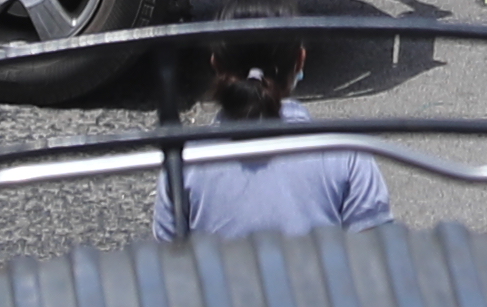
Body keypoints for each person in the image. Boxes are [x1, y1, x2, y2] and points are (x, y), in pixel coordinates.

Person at [150, 34, 395, 239]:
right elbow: (374, 261)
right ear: (300, 60)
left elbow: (170, 268)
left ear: (216, 65)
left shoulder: (183, 163)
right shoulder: (346, 152)